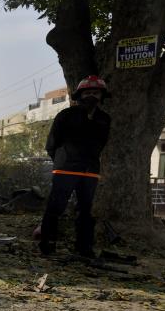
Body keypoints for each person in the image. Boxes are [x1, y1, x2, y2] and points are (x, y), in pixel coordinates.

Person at [38, 76, 111, 258]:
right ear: (80, 95)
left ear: (102, 96)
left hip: (91, 170)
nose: (91, 96)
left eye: (95, 92)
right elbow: (52, 143)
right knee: (56, 206)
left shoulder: (104, 119)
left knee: (86, 210)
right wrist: (62, 160)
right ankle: (47, 244)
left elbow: (101, 143)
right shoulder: (66, 115)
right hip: (66, 167)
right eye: (87, 93)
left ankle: (84, 247)